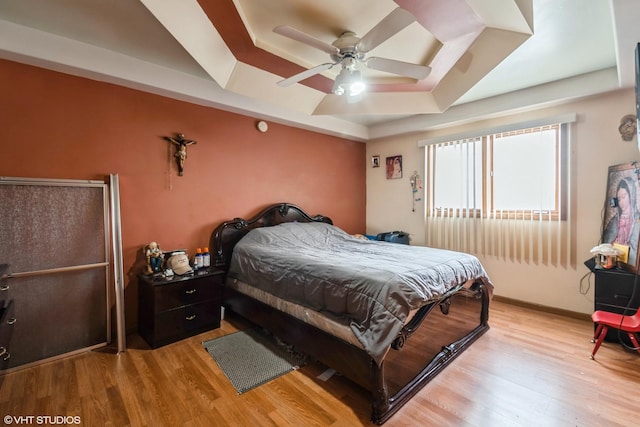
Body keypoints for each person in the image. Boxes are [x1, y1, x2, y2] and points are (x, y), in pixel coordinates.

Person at [603, 177, 640, 265]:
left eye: (624, 197)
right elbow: (607, 243)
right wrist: (613, 244)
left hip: (630, 266)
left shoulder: (637, 220)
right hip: (614, 262)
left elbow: (635, 248)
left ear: (631, 195)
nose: (621, 202)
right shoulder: (615, 220)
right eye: (619, 199)